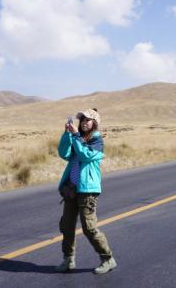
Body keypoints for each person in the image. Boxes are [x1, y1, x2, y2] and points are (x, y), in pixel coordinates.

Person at [56, 108, 117, 275]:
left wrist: (76, 136)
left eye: (88, 120)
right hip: (71, 188)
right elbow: (64, 153)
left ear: (94, 123)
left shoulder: (97, 142)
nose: (84, 122)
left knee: (89, 228)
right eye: (82, 119)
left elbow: (84, 156)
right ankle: (68, 259)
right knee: (67, 226)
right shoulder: (78, 139)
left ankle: (108, 258)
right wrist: (67, 134)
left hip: (88, 190)